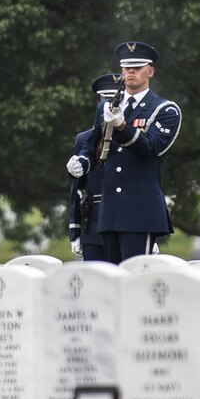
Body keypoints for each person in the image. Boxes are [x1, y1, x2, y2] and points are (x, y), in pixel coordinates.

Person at [94, 41, 182, 261]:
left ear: (150, 71)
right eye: (126, 68)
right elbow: (94, 145)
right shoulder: (106, 107)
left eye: (137, 67)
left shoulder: (165, 109)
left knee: (134, 280)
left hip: (140, 211)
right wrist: (82, 161)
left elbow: (151, 148)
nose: (130, 72)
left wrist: (123, 127)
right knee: (110, 284)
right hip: (110, 210)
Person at [65, 72, 123, 261]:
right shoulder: (84, 139)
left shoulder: (133, 137)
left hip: (126, 220)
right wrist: (75, 230)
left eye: (115, 99)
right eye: (105, 99)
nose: (110, 104)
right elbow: (77, 187)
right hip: (94, 222)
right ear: (98, 101)